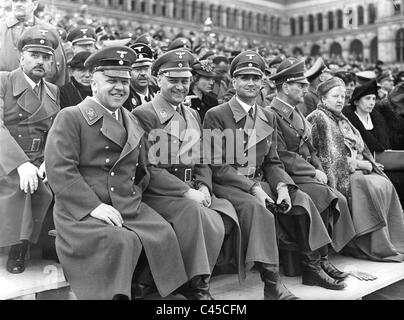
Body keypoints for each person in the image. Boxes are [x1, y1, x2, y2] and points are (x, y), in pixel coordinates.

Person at [44, 46, 188, 300]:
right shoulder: (72, 116)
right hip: (83, 208)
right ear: (93, 82)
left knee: (164, 232)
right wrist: (92, 206)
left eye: (124, 81)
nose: (119, 87)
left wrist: (135, 194)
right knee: (121, 240)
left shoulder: (130, 118)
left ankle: (154, 294)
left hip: (126, 203)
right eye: (111, 81)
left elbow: (142, 168)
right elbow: (60, 169)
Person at [204, 51, 350, 300]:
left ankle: (311, 267)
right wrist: (253, 188)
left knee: (300, 198)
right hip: (230, 183)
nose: (250, 83)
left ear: (262, 82)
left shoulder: (267, 115)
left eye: (255, 77)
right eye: (244, 77)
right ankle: (272, 284)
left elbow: (272, 161)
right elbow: (217, 166)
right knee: (258, 210)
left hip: (260, 179)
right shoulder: (216, 115)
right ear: (233, 82)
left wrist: (283, 186)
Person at [133, 49, 241, 300]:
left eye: (184, 81)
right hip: (161, 192)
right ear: (157, 80)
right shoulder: (145, 114)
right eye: (173, 80)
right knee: (194, 214)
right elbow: (150, 168)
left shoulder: (192, 113)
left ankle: (168, 278)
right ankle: (198, 286)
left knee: (226, 212)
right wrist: (186, 191)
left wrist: (203, 186)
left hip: (192, 189)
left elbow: (203, 158)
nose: (180, 87)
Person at [268, 58, 357, 283]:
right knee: (322, 195)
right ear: (286, 87)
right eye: (301, 85)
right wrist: (312, 171)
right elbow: (281, 153)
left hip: (305, 171)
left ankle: (322, 258)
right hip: (289, 174)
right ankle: (313, 266)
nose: (307, 89)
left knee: (333, 196)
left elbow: (310, 148)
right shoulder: (271, 113)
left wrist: (318, 167)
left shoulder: (296, 112)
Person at [307, 77, 404, 262]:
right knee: (371, 186)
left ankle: (394, 241)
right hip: (337, 174)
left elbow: (360, 147)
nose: (340, 100)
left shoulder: (340, 118)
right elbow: (330, 157)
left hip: (354, 168)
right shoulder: (318, 118)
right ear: (323, 99)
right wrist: (360, 165)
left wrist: (366, 163)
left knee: (384, 182)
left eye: (343, 96)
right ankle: (365, 243)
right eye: (335, 96)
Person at [0, 25, 60, 274]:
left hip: (38, 158)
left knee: (59, 181)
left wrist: (48, 160)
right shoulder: (4, 80)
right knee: (21, 185)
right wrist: (20, 162)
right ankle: (18, 246)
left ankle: (51, 243)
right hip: (5, 156)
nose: (41, 62)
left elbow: (55, 131)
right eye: (35, 55)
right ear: (21, 57)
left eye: (46, 57)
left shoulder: (53, 90)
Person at [0, 0, 67, 86]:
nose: (18, 4)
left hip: (40, 94)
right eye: (15, 1)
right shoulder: (1, 28)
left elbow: (60, 70)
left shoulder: (49, 31)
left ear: (35, 4)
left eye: (23, 1)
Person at [123, 43, 158, 111]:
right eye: (137, 69)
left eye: (146, 68)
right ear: (129, 72)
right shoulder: (123, 99)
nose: (143, 73)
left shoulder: (159, 93)